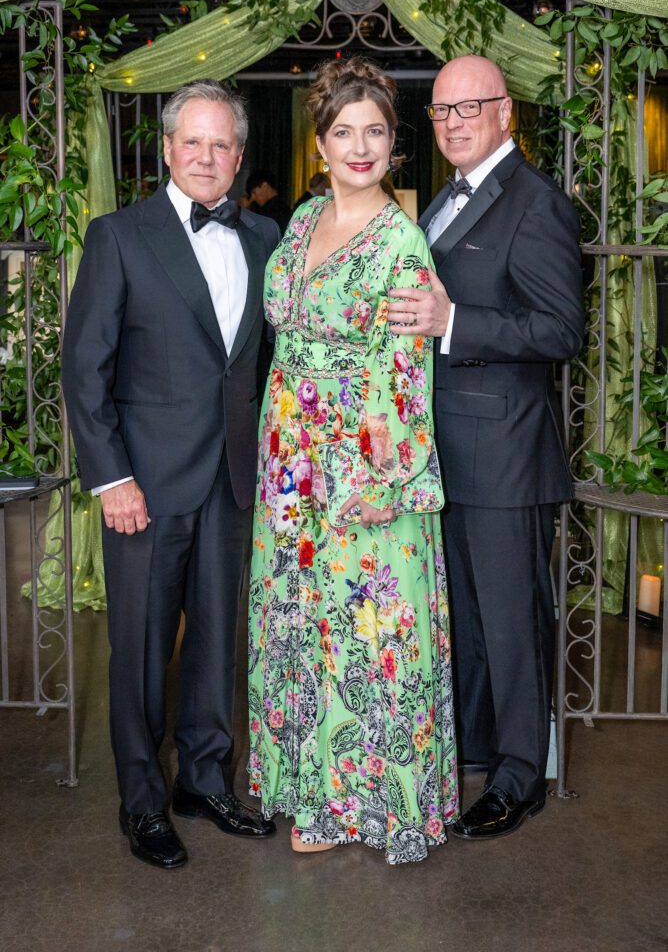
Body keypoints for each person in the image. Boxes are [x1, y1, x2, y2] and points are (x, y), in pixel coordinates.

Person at [62, 79, 280, 869]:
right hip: (143, 490)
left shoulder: (265, 238)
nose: (208, 157)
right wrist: (111, 478)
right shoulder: (119, 236)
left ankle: (206, 779)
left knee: (220, 643)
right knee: (143, 651)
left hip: (232, 480)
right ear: (165, 149)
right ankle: (144, 801)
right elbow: (84, 369)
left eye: (222, 144)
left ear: (239, 154)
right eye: (193, 142)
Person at [247, 57, 459, 865]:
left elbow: (406, 366)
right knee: (297, 618)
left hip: (362, 463)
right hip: (289, 460)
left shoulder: (401, 238)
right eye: (345, 132)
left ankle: (364, 805)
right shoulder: (299, 223)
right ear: (320, 141)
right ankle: (305, 784)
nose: (361, 146)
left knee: (366, 627)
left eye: (376, 131)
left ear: (394, 143)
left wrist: (383, 477)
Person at [388, 54, 583, 840]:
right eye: (441, 112)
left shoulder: (535, 204)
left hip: (504, 456)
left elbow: (560, 331)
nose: (454, 122)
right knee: (465, 619)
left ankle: (518, 777)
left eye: (470, 107)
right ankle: (475, 750)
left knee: (510, 624)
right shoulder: (445, 199)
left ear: (507, 112)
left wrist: (453, 325)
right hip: (444, 455)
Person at [246, 169, 292, 233]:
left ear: (264, 186)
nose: (252, 198)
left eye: (254, 192)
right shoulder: (283, 207)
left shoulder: (272, 212)